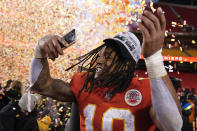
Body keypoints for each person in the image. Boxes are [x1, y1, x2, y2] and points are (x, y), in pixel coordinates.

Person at [30, 7, 182, 131]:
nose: (100, 61)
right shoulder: (85, 83)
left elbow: (172, 126)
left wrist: (153, 59)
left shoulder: (145, 89)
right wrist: (39, 52)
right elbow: (41, 85)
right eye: (101, 55)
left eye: (108, 57)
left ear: (126, 67)